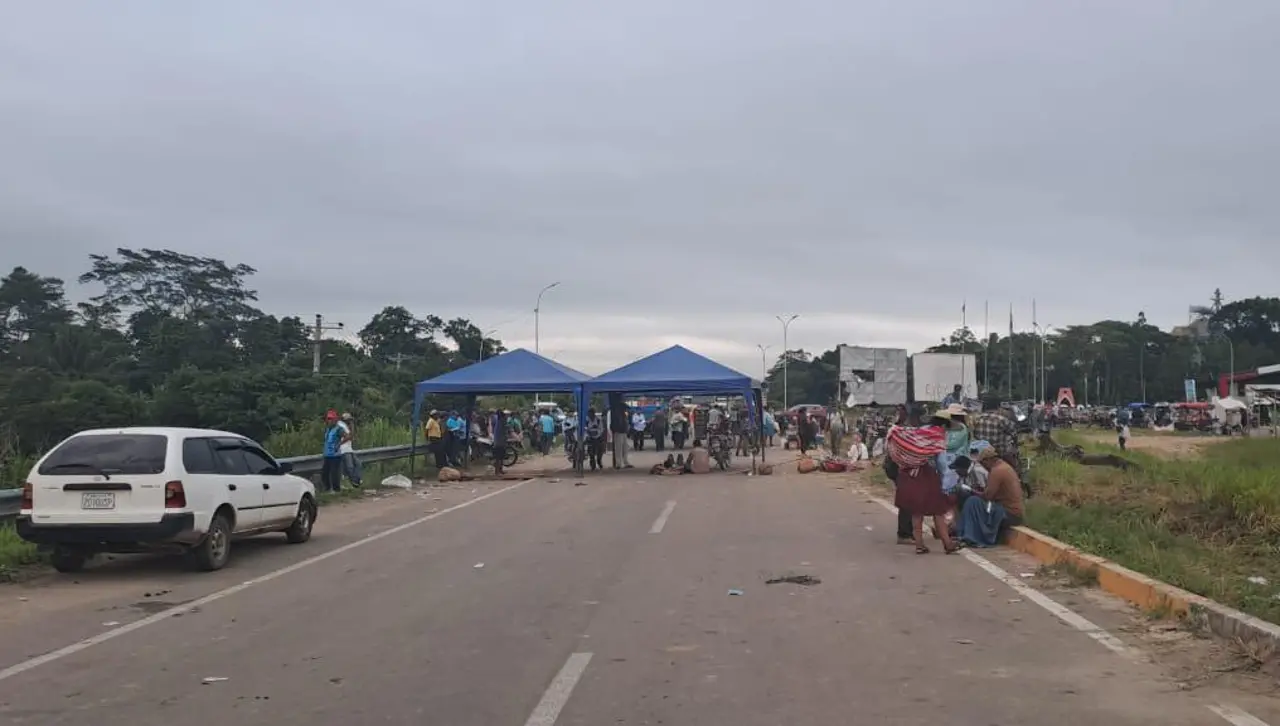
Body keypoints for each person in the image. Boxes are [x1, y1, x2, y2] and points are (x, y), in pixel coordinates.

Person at [890, 409, 959, 554]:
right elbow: (941, 464)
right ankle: (947, 543)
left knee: (917, 511)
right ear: (945, 425)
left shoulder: (920, 431)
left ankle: (919, 545)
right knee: (938, 511)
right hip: (927, 475)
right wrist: (947, 481)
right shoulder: (937, 436)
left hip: (910, 474)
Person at [955, 447, 1025, 547]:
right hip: (1010, 510)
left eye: (983, 464)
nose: (984, 467)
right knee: (974, 501)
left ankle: (971, 536)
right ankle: (961, 531)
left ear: (988, 460)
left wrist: (973, 491)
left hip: (1009, 513)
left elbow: (987, 496)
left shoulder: (997, 471)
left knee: (973, 502)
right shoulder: (1004, 467)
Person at [321, 410, 343, 493]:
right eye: (328, 419)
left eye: (331, 419)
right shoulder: (327, 429)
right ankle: (327, 489)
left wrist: (339, 444)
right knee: (324, 473)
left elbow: (347, 436)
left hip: (335, 455)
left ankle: (336, 490)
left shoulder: (338, 429)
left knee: (334, 474)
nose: (329, 421)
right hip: (327, 454)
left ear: (335, 420)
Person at [338, 412, 363, 487]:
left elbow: (351, 437)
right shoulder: (341, 426)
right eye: (349, 420)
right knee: (350, 467)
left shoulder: (345, 426)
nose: (350, 421)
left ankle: (357, 480)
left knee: (358, 464)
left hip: (349, 449)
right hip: (344, 450)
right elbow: (350, 436)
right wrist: (352, 427)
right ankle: (354, 482)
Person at [490, 408, 509, 475]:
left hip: (498, 441)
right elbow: (505, 431)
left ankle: (499, 470)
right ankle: (498, 471)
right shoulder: (502, 421)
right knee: (499, 458)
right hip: (500, 442)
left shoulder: (498, 420)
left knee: (499, 458)